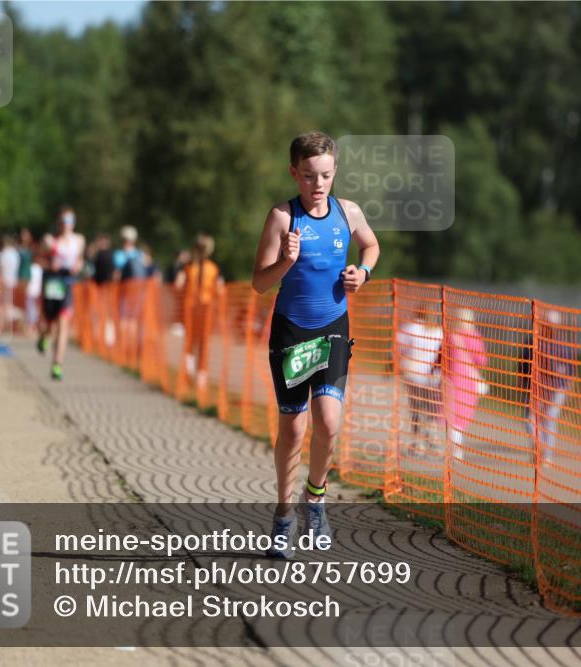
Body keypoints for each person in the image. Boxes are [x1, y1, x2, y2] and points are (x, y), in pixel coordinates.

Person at [251, 131, 379, 558]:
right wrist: (285, 261)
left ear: (335, 171)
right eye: (308, 176)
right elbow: (258, 284)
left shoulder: (349, 212)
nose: (317, 184)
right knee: (293, 428)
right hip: (291, 333)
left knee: (328, 421)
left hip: (333, 328)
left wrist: (363, 272)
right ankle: (284, 517)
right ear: (294, 173)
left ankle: (316, 500)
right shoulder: (282, 219)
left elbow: (372, 245)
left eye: (325, 175)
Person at [37, 207, 85, 380]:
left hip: (67, 283)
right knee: (51, 323)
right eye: (64, 221)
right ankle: (44, 337)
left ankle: (57, 364)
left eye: (70, 221)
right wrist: (50, 266)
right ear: (59, 223)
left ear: (74, 223)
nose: (67, 224)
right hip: (52, 282)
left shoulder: (79, 240)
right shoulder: (50, 241)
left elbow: (80, 259)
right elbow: (37, 259)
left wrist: (78, 266)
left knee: (63, 323)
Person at [176, 233, 223, 392]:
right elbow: (220, 291)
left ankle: (188, 374)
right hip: (206, 308)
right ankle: (201, 378)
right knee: (203, 344)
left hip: (190, 308)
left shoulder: (189, 267)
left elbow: (178, 285)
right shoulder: (213, 268)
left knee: (189, 342)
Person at [443, 307, 488, 462]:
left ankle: (455, 448)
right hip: (469, 382)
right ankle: (456, 449)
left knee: (451, 416)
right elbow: (482, 361)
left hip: (452, 380)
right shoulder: (476, 337)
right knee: (462, 417)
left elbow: (443, 358)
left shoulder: (451, 336)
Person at [396, 308, 444, 446]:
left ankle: (417, 440)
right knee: (431, 406)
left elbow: (399, 346)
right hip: (431, 376)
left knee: (416, 407)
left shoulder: (412, 327)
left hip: (413, 373)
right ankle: (431, 435)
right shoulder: (439, 332)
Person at [535, 309, 575, 465]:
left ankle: (547, 454)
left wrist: (566, 384)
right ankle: (540, 449)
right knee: (540, 418)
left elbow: (570, 368)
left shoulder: (562, 345)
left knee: (550, 417)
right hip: (542, 385)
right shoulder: (539, 342)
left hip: (557, 387)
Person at [0, 235, 21, 328]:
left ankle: (9, 319)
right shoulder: (15, 253)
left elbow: (2, 266)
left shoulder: (5, 253)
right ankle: (10, 320)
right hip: (13, 279)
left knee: (6, 302)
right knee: (9, 301)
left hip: (6, 279)